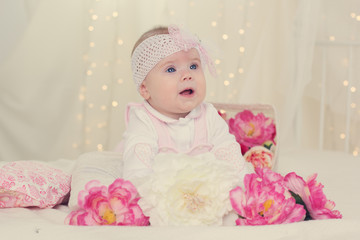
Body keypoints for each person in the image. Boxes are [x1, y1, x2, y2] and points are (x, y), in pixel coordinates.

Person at [121, 24, 247, 183]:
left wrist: (241, 184)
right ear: (145, 89)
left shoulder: (208, 115)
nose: (187, 75)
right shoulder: (143, 120)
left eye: (193, 66)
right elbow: (137, 170)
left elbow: (228, 152)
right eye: (171, 69)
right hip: (163, 190)